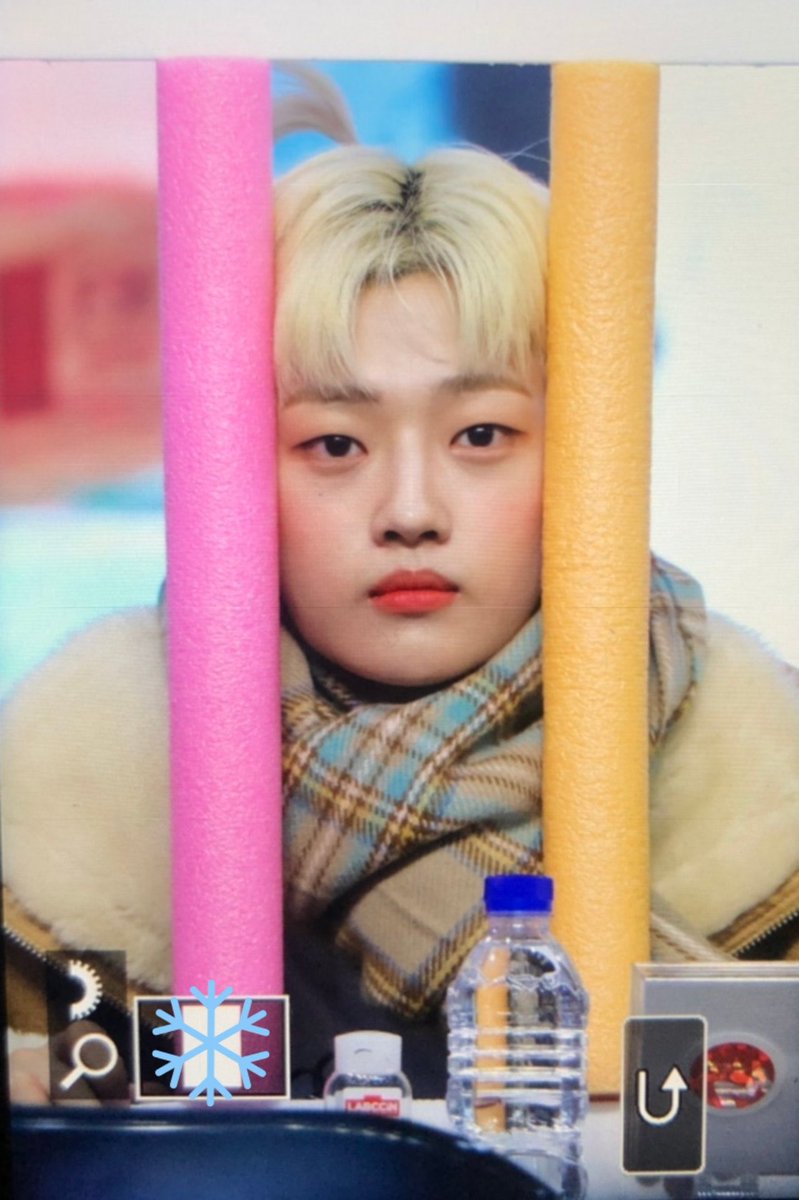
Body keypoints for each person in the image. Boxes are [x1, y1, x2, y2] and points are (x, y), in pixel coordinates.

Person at [4, 90, 799, 1101]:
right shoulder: (73, 809)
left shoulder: (759, 798)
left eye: (481, 435)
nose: (411, 511)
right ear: (234, 466)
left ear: (587, 450)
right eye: (335, 443)